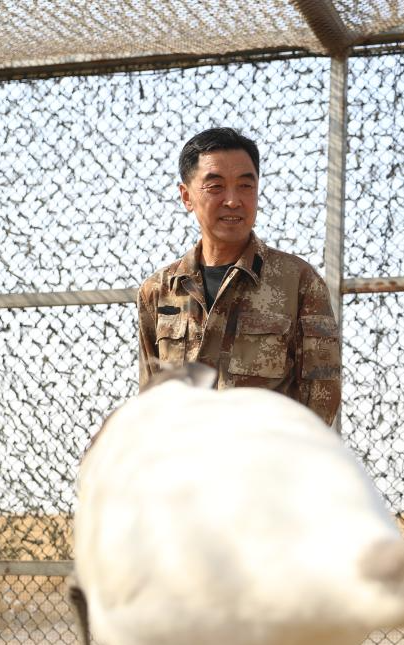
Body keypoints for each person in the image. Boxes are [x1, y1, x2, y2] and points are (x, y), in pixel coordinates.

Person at [137, 128, 341, 425]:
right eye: (215, 187)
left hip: (265, 467)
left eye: (245, 186)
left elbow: (321, 398)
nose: (233, 201)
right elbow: (152, 399)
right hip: (183, 466)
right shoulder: (159, 291)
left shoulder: (298, 282)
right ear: (186, 196)